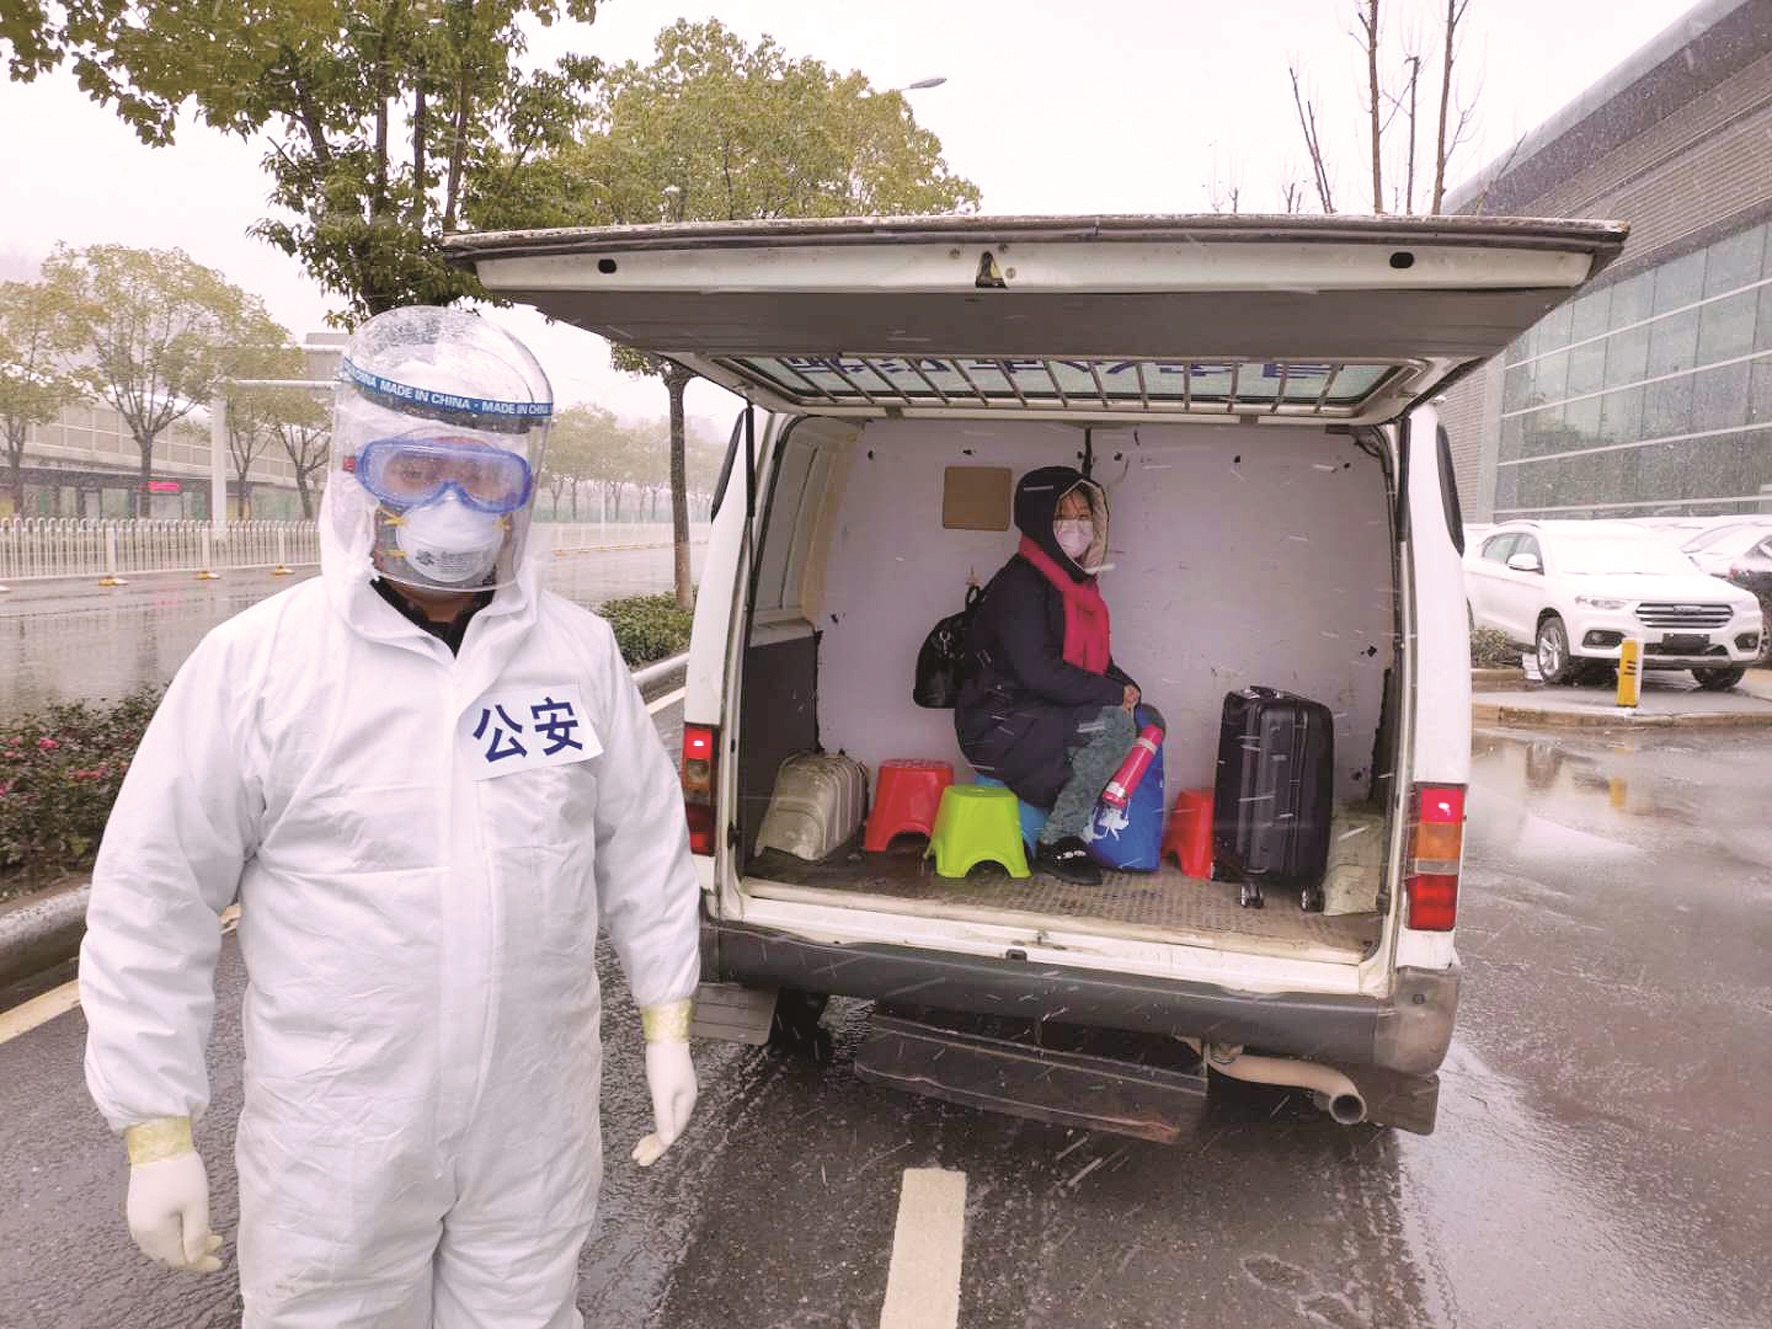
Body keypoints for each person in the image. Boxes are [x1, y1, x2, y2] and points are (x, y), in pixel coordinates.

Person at [78, 305, 702, 1327]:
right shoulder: (261, 666)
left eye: (483, 477)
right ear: (359, 477)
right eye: (415, 471)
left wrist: (666, 1018)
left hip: (533, 1122)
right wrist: (155, 1127)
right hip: (339, 1139)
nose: (451, 503)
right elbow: (156, 896)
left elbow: (641, 850)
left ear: (520, 494)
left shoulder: (575, 656)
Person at [955, 466, 1145, 887]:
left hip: (1035, 711)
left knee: (1137, 715)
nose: (1076, 526)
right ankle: (1058, 838)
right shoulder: (1021, 584)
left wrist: (1126, 688)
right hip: (998, 721)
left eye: (1083, 515)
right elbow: (1039, 671)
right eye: (1063, 515)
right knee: (1114, 728)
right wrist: (1111, 693)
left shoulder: (1074, 585)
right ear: (1040, 519)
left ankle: (1062, 822)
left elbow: (1095, 664)